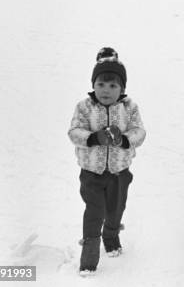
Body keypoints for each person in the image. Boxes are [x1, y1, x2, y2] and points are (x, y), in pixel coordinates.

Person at [68, 47, 146, 274]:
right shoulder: (84, 107)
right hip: (91, 173)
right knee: (95, 212)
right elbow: (74, 132)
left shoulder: (129, 107)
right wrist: (93, 138)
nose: (106, 90)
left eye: (113, 85)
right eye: (101, 84)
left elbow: (139, 132)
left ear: (122, 88)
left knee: (115, 210)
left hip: (120, 172)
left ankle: (111, 238)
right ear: (93, 84)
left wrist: (124, 140)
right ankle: (89, 259)